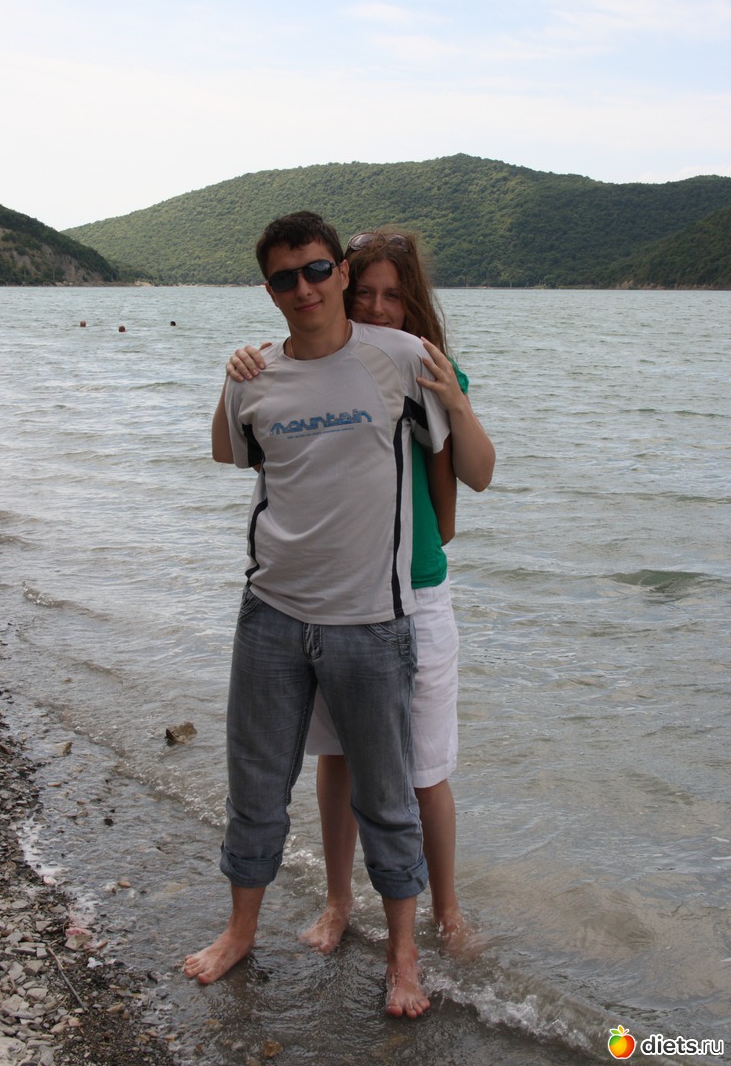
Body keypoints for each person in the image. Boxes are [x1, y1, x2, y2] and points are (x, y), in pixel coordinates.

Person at [184, 212, 453, 1017]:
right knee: (256, 784)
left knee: (388, 799)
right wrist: (228, 375)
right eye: (283, 277)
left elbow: (456, 462)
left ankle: (404, 958)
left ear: (339, 271)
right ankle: (240, 931)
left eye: (314, 270)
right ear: (269, 290)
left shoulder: (401, 359)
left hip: (372, 621)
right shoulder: (253, 374)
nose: (301, 287)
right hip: (270, 613)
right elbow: (230, 453)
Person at [226, 229, 495, 955]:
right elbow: (261, 444)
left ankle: (447, 912)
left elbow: (471, 481)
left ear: (413, 304)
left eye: (392, 296)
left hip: (415, 589)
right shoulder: (319, 365)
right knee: (337, 758)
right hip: (330, 601)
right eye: (366, 292)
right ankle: (339, 901)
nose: (376, 308)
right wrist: (243, 365)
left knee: (424, 769)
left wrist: (456, 401)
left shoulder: (422, 368)